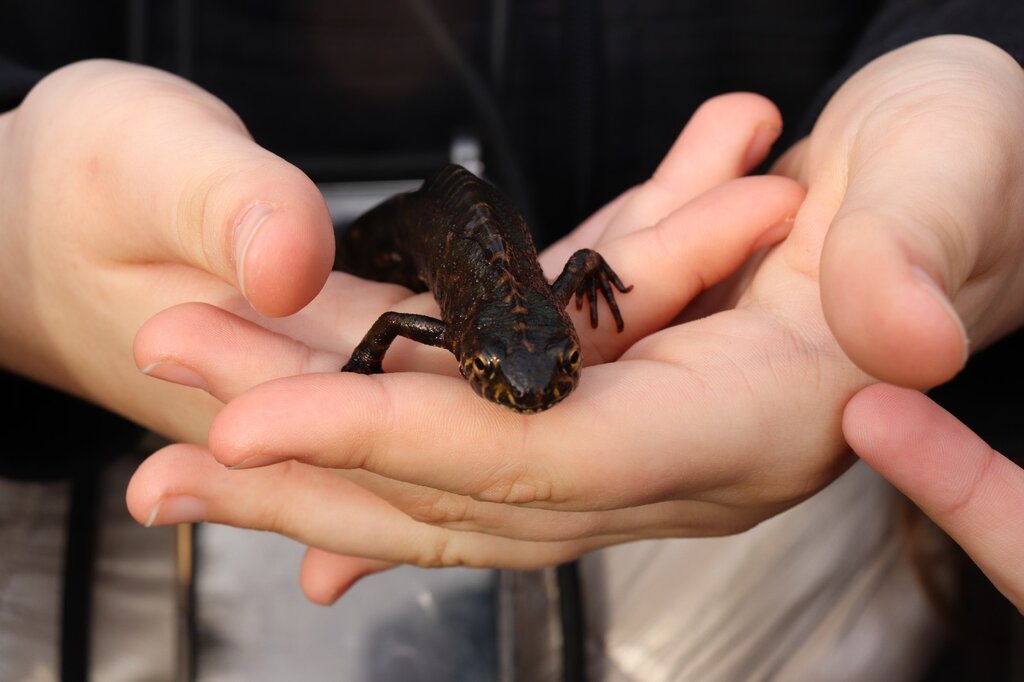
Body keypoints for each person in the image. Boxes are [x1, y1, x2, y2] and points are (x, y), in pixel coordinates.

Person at [1, 2, 1022, 678]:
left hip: (785, 614)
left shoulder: (542, 313)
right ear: (475, 348)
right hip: (66, 586)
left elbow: (579, 272)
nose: (536, 391)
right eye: (509, 378)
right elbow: (400, 313)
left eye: (550, 372)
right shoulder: (442, 321)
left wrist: (983, 48)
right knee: (379, 246)